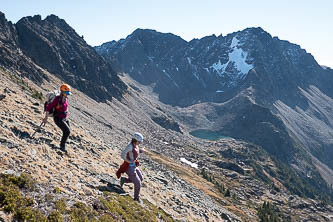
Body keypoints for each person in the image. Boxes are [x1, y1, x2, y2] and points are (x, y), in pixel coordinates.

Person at [42, 84, 72, 153]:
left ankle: (63, 144)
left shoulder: (65, 98)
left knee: (67, 131)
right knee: (67, 131)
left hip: (64, 118)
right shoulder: (57, 99)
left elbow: (65, 107)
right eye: (67, 93)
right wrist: (45, 118)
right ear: (63, 92)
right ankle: (62, 146)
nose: (68, 94)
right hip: (58, 118)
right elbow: (49, 108)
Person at [117, 132, 145, 202]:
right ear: (135, 140)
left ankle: (124, 180)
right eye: (139, 141)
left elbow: (136, 151)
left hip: (134, 166)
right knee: (138, 183)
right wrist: (128, 161)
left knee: (141, 178)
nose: (140, 143)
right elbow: (123, 154)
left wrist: (141, 151)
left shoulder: (135, 145)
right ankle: (136, 198)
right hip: (129, 167)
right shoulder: (130, 146)